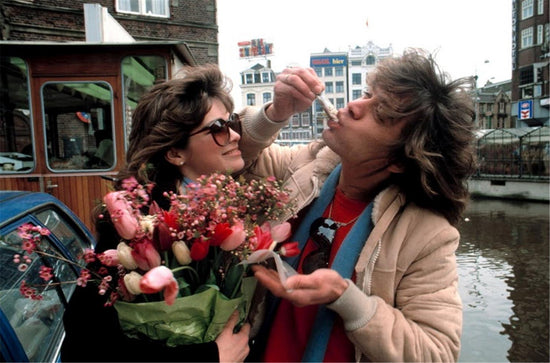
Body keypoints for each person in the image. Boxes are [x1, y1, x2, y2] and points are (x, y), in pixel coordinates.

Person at [60, 63, 319, 362]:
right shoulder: (137, 221)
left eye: (231, 123)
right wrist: (210, 357)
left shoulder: (229, 200)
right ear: (175, 152)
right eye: (218, 129)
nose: (235, 136)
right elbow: (85, 339)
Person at [237, 48, 476, 362]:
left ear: (401, 159)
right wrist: (275, 114)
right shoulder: (310, 165)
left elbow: (437, 353)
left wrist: (347, 299)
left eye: (380, 114)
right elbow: (234, 162)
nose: (352, 106)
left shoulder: (426, 234)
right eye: (367, 95)